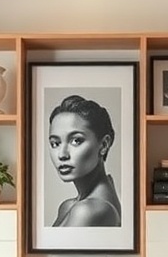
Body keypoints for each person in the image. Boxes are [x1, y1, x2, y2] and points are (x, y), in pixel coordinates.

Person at [47, 94, 121, 227]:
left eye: (76, 141)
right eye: (55, 143)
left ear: (104, 145)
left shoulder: (90, 210)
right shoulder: (69, 206)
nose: (62, 154)